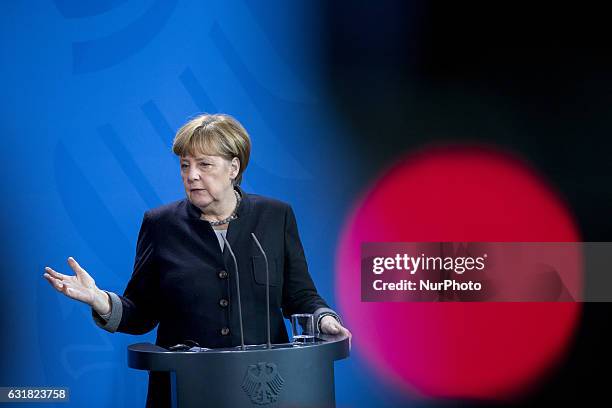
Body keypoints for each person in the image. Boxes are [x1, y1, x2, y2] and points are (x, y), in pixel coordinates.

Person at [43, 113, 351, 407]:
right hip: (186, 389)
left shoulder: (275, 217)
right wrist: (99, 300)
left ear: (234, 167)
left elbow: (300, 296)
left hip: (263, 390)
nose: (192, 175)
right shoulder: (160, 225)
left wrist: (325, 319)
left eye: (204, 164)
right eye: (184, 165)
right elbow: (141, 313)